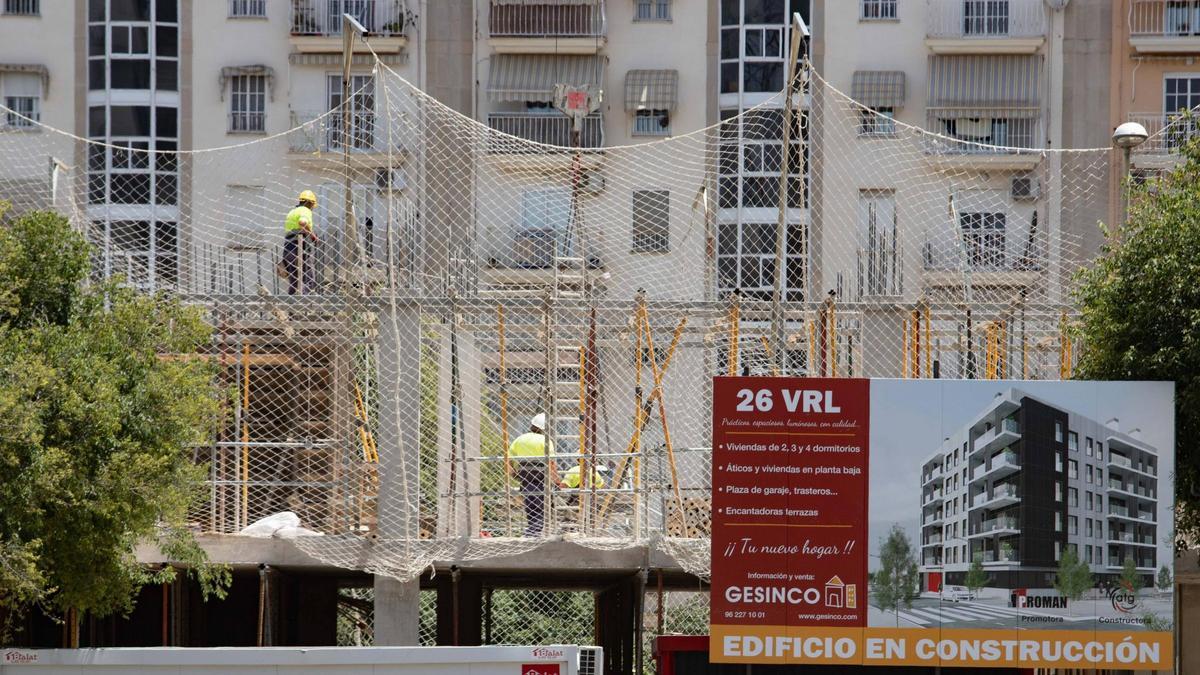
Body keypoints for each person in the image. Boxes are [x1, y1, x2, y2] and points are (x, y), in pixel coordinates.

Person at [509, 413, 555, 537]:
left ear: (532, 425)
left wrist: (513, 473)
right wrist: (555, 480)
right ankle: (534, 533)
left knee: (530, 507)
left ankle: (532, 531)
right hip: (541, 479)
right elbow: (551, 463)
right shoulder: (546, 441)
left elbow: (508, 459)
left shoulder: (520, 439)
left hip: (526, 479)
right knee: (543, 508)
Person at [282, 190, 319, 294]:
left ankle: (291, 308)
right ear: (310, 203)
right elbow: (302, 222)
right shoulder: (305, 210)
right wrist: (313, 236)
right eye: (312, 205)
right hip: (299, 247)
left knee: (294, 282)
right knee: (309, 280)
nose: (312, 208)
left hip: (288, 249)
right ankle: (304, 306)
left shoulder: (292, 212)